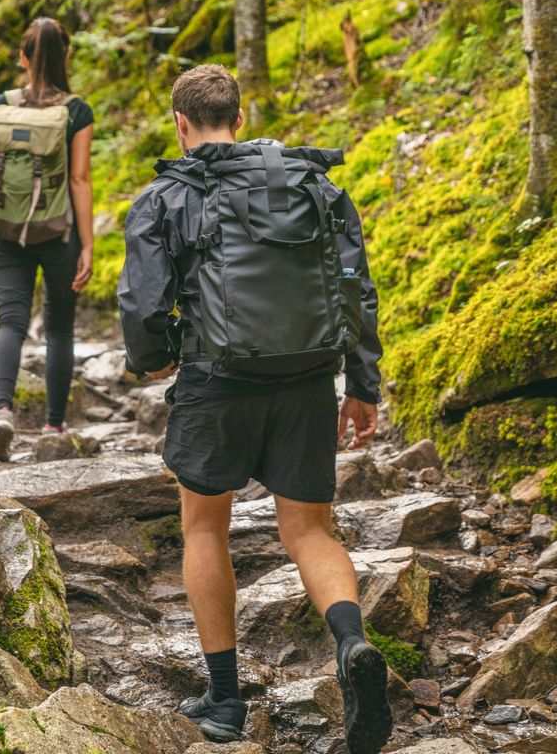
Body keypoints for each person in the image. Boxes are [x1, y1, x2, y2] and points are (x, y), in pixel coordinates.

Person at [118, 64, 391, 753]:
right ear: (239, 118)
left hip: (215, 381)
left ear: (181, 124)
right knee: (310, 531)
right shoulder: (315, 186)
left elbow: (145, 307)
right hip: (305, 380)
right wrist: (362, 384)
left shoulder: (164, 198)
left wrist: (151, 358)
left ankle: (225, 701)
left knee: (205, 528)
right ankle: (353, 645)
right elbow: (356, 288)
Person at [0, 17, 95, 460]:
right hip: (59, 234)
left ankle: (2, 411)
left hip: (4, 232)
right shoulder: (76, 111)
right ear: (67, 56)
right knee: (58, 327)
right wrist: (89, 245)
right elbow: (79, 180)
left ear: (22, 58)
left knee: (11, 321)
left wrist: (8, 201)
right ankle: (53, 426)